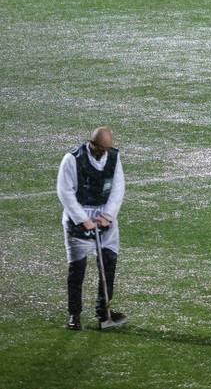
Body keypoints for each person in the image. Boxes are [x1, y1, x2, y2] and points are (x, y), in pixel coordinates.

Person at [57, 126, 127, 330]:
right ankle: (74, 314)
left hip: (104, 216)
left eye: (107, 148)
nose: (104, 152)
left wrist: (108, 215)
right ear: (92, 144)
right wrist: (82, 219)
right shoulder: (72, 159)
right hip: (78, 217)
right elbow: (65, 192)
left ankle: (103, 311)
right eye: (101, 148)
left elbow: (118, 187)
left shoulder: (114, 157)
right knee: (77, 269)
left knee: (108, 264)